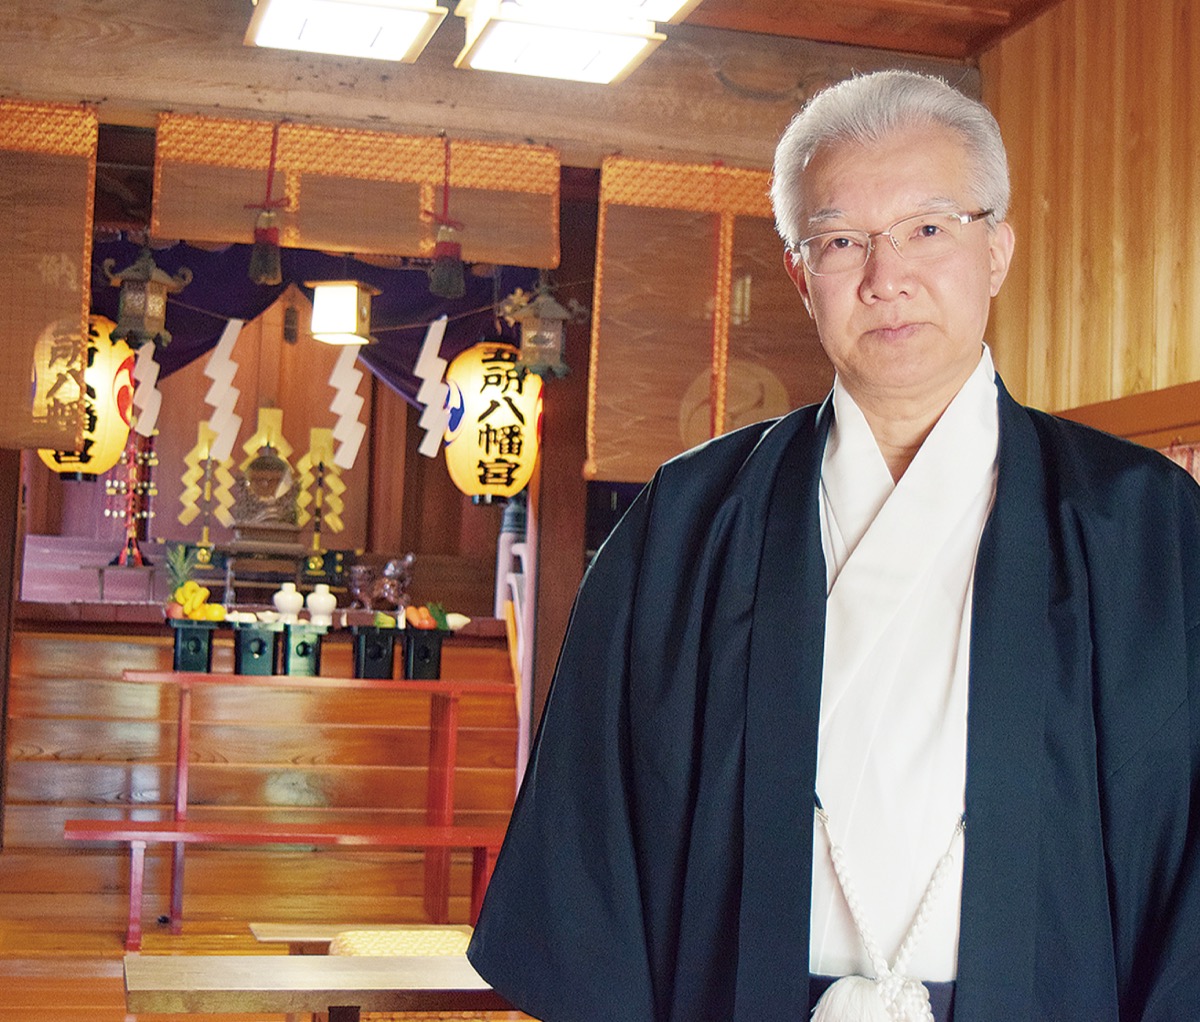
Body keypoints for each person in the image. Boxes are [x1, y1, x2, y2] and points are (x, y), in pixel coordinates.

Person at [466, 70, 1200, 1022]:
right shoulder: (689, 520)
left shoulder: (1140, 522)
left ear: (996, 250)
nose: (885, 276)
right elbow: (590, 835)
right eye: (842, 240)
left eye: (928, 228)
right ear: (798, 274)